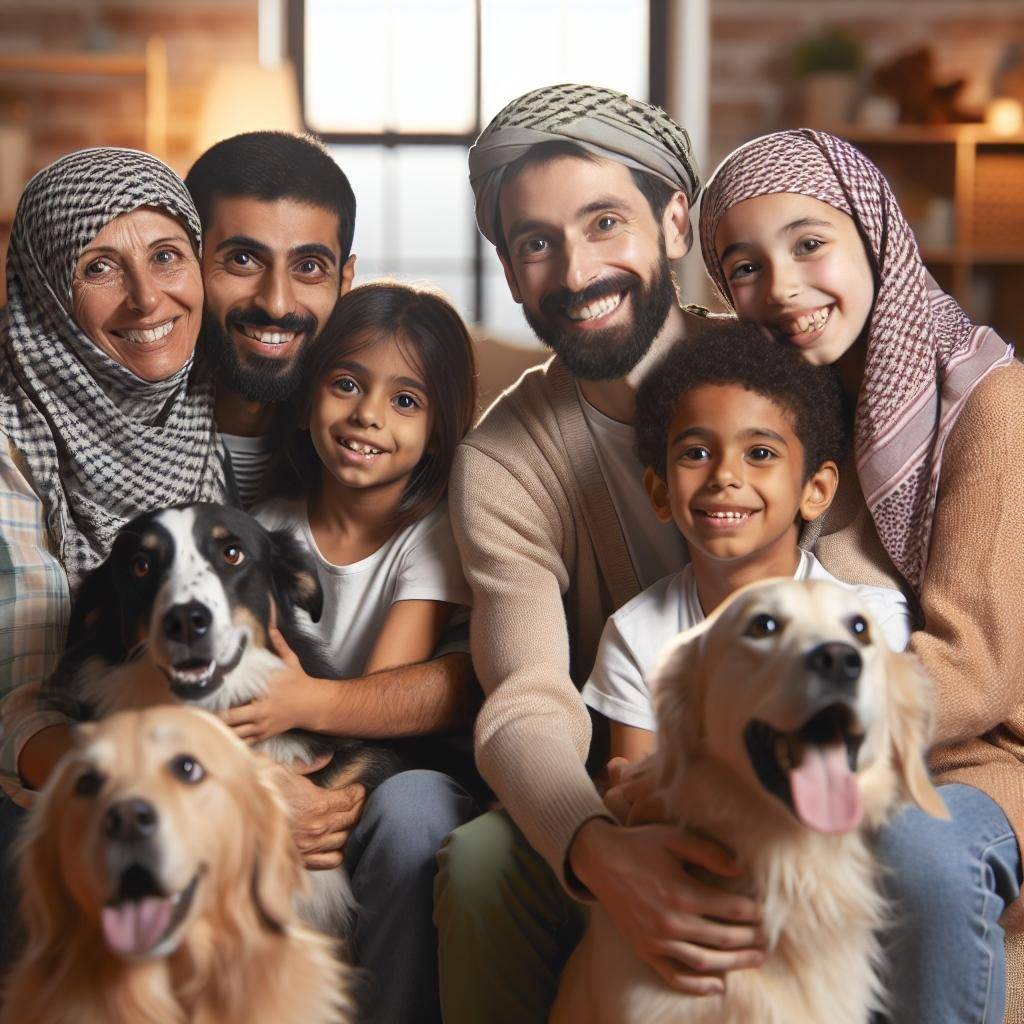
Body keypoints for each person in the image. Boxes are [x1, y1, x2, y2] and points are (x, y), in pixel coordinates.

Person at [435, 84, 767, 1023]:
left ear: (672, 223)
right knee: (480, 863)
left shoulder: (779, 382)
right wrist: (591, 844)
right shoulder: (504, 459)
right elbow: (525, 697)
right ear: (507, 271)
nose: (575, 271)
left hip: (793, 770)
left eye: (604, 222)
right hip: (615, 789)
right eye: (535, 241)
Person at [699, 127, 1024, 1024]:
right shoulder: (783, 414)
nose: (785, 289)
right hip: (811, 738)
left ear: (873, 231)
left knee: (921, 854)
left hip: (980, 756)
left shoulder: (988, 401)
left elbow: (981, 666)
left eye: (810, 243)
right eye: (745, 267)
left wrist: (810, 728)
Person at [0, 146, 224, 965]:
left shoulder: (220, 392)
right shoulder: (10, 433)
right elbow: (19, 706)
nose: (146, 297)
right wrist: (173, 792)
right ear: (52, 292)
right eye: (101, 267)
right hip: (57, 758)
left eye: (168, 255)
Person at [583, 321, 912, 768]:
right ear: (661, 491)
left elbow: (866, 782)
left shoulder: (872, 622)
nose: (723, 476)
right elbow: (636, 796)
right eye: (696, 453)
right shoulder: (636, 635)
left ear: (814, 490)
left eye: (759, 453)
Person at [184, 131, 357, 509]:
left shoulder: (374, 441)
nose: (277, 304)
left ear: (344, 282)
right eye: (243, 260)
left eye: (309, 267)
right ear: (187, 263)